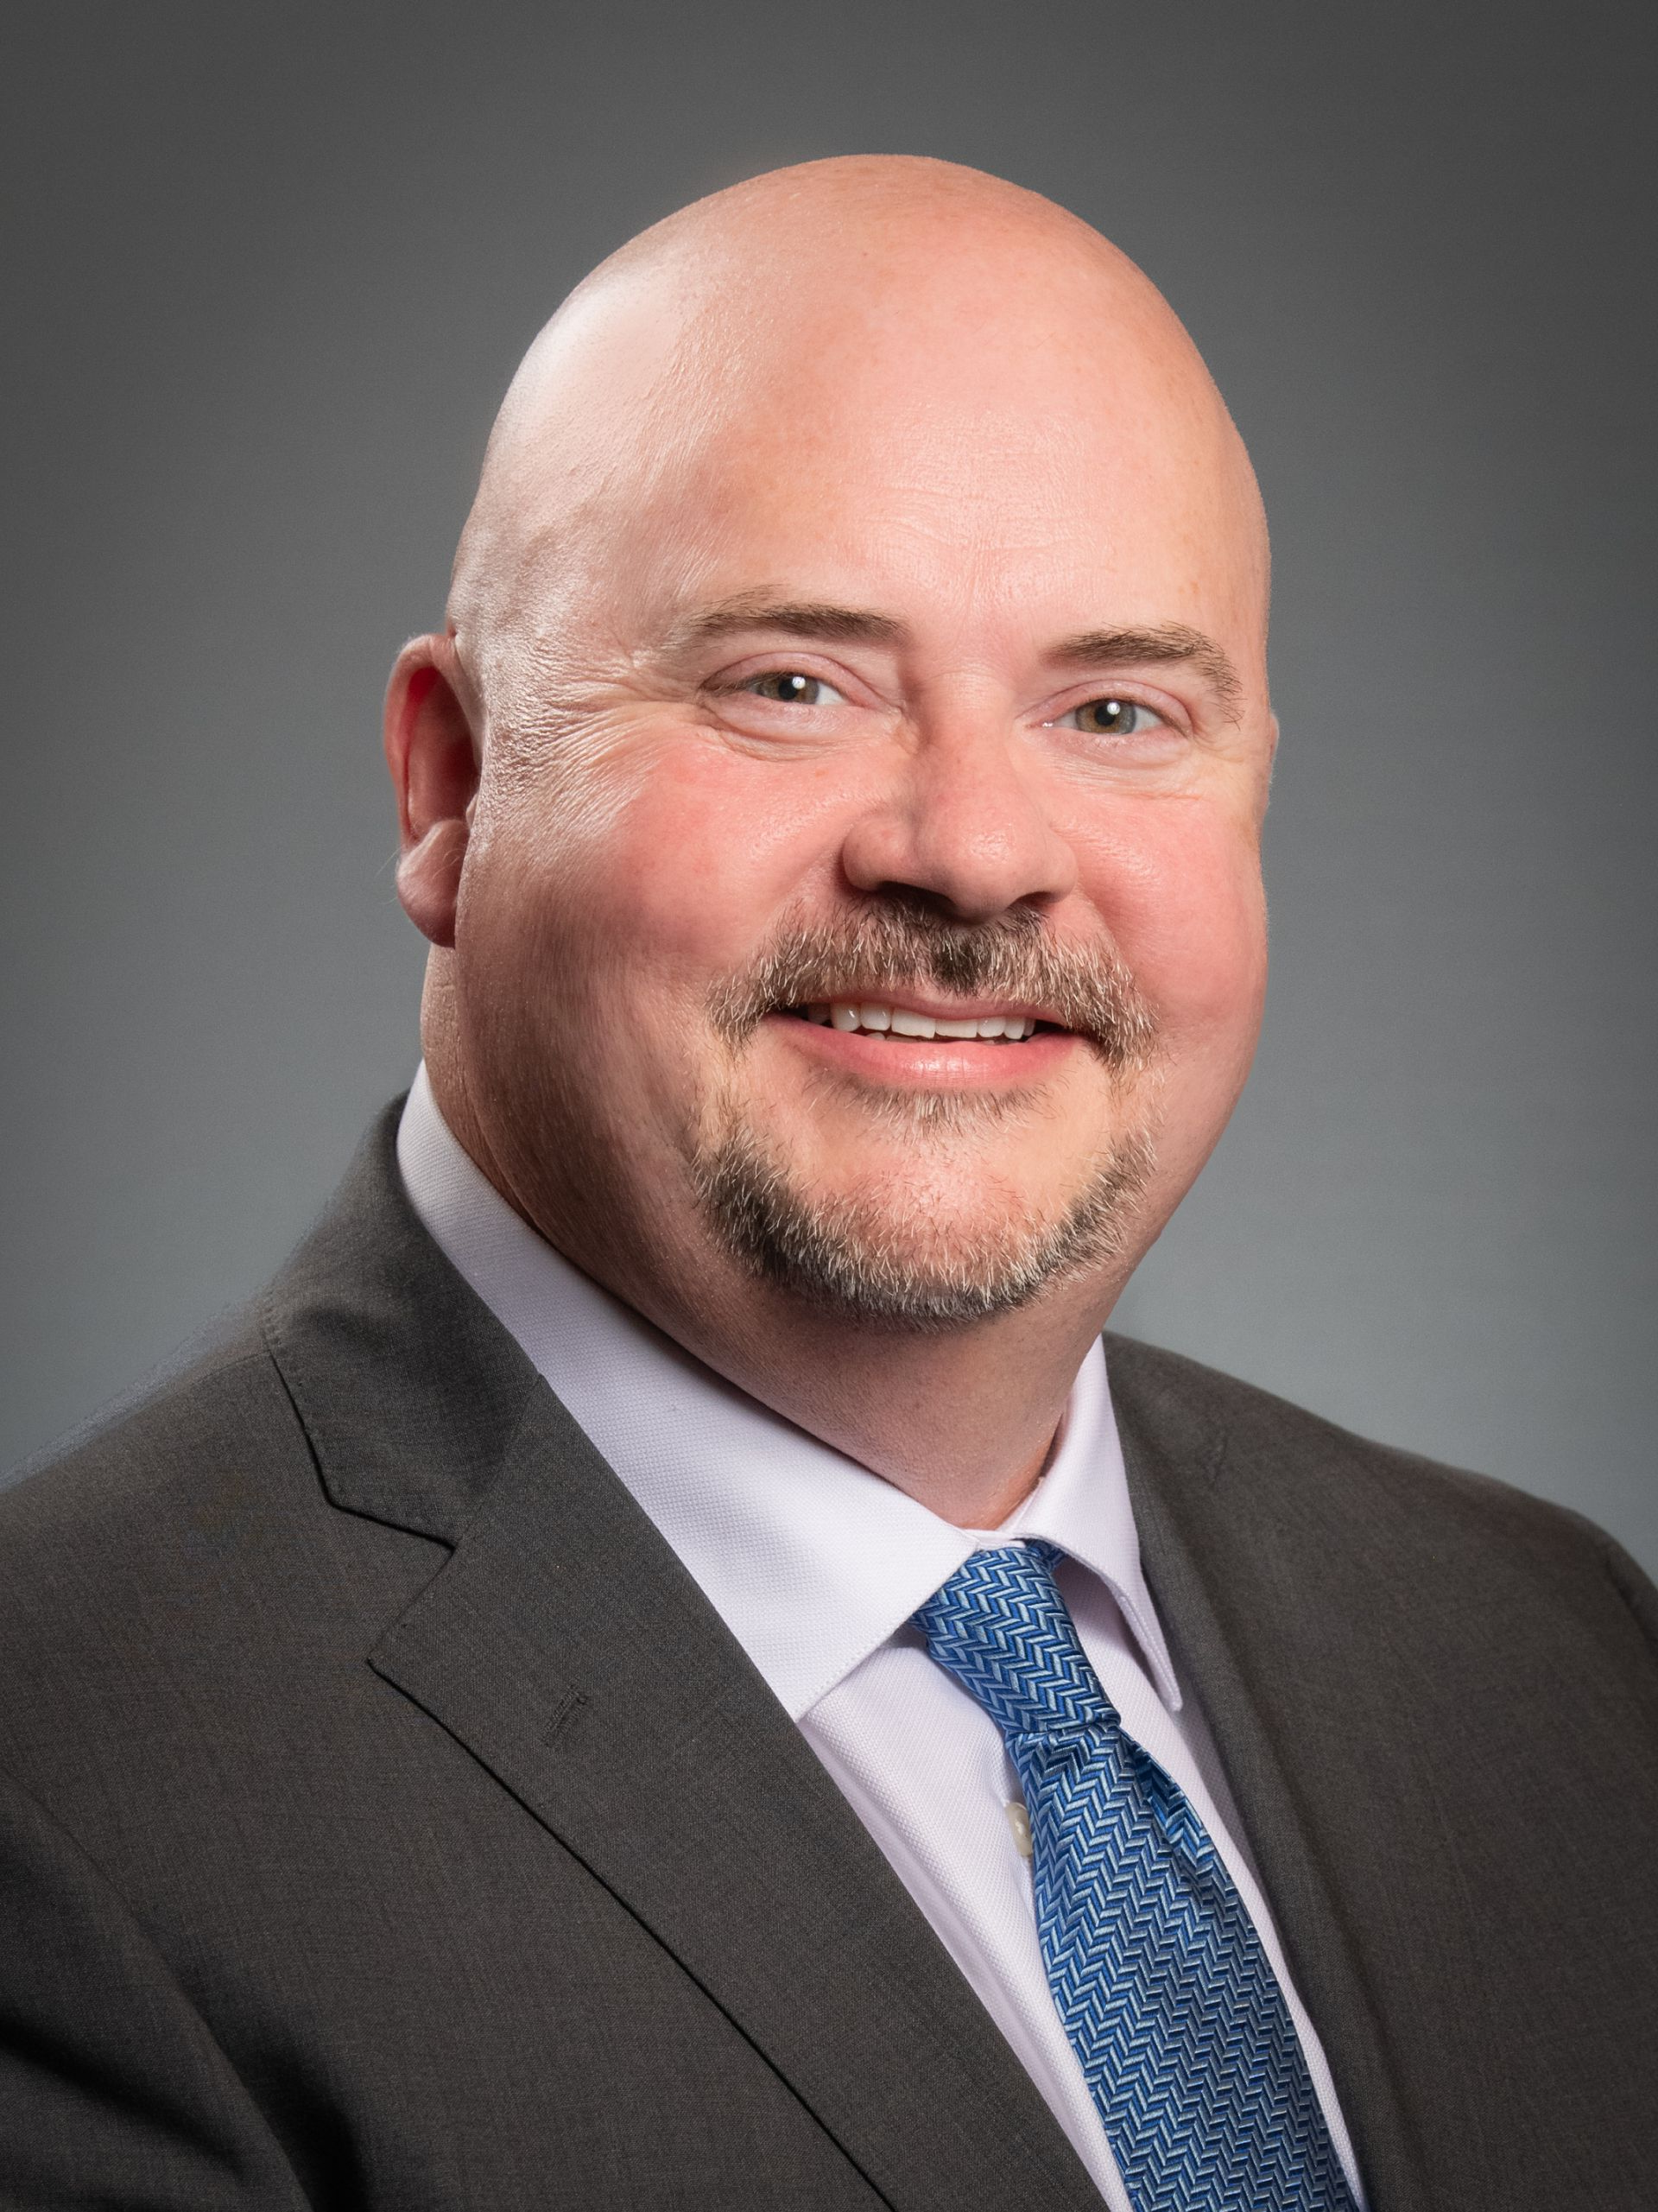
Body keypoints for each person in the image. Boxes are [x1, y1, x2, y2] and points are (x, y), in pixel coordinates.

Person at [1, 155, 1653, 2212]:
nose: (972, 850)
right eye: (794, 680)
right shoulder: (60, 1787)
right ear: (452, 781)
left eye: (1116, 706)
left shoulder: (1555, 1653)